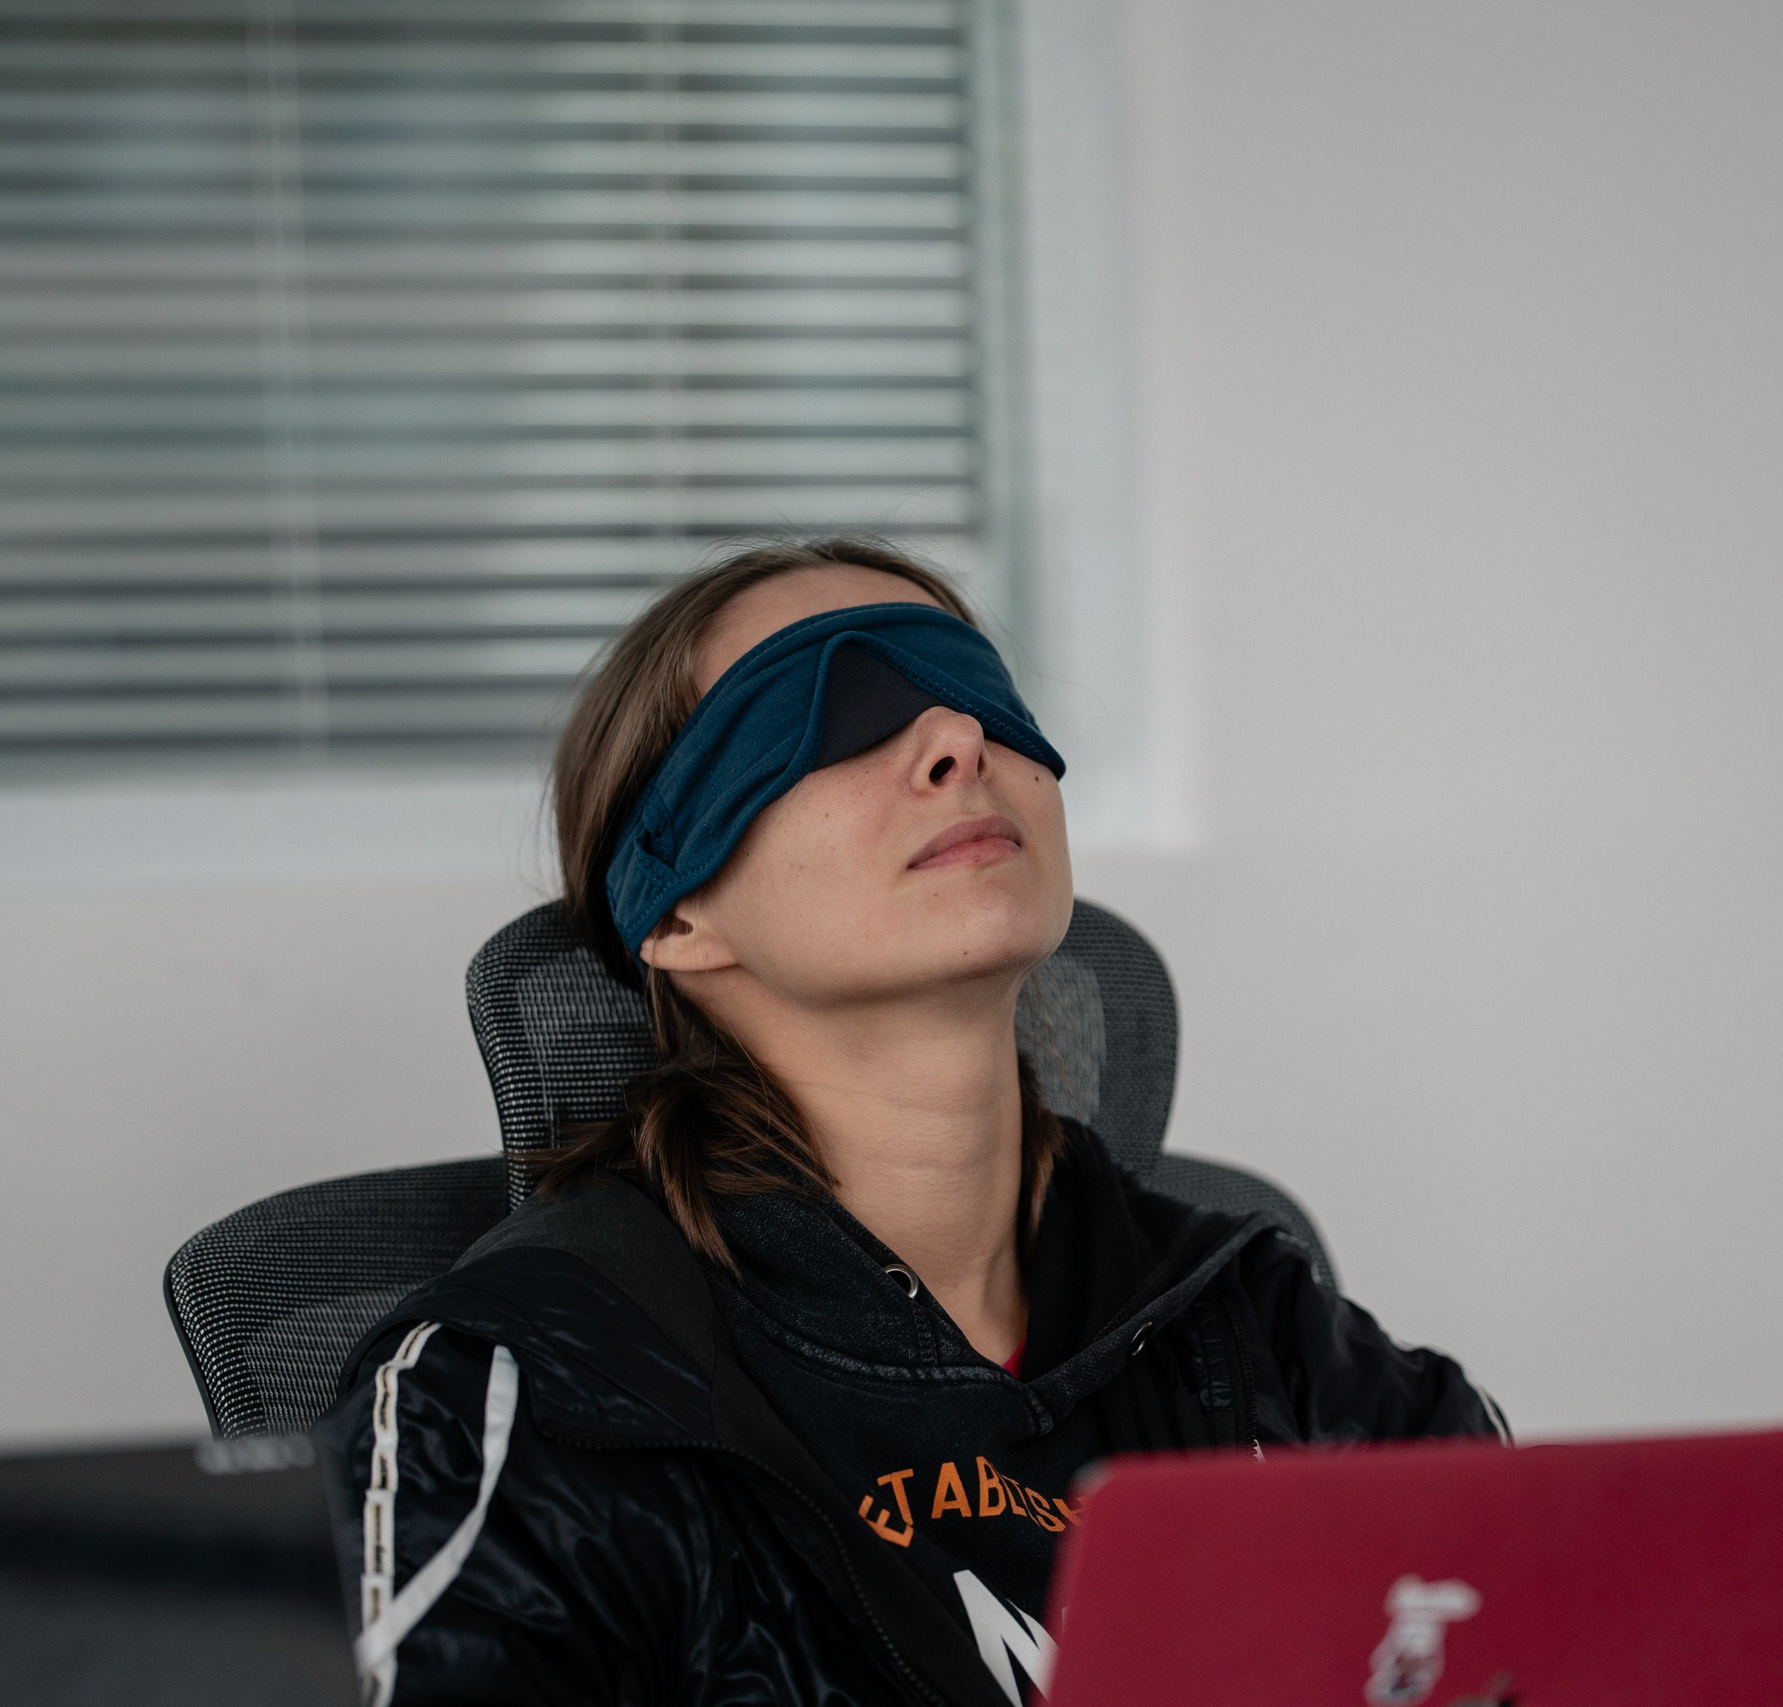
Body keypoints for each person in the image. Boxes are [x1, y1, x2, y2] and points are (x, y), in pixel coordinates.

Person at [316, 537, 1505, 1707]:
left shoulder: (1254, 1329)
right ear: (677, 917)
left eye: (974, 694)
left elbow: (1552, 1640)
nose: (956, 742)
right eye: (826, 715)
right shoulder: (528, 1393)